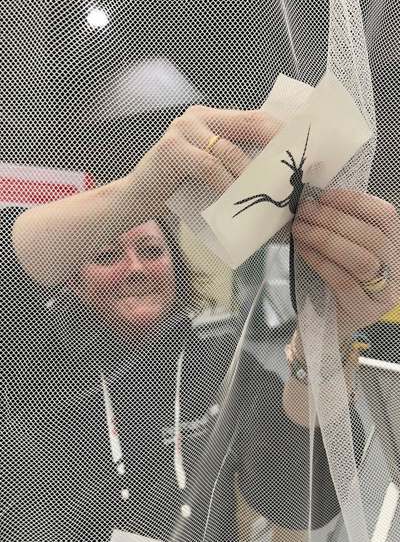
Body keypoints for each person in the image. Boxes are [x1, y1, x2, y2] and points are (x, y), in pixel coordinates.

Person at [2, 106, 400, 542]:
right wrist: (141, 189)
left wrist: (327, 330)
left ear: (176, 265)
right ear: (70, 279)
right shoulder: (40, 367)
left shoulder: (220, 362)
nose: (134, 267)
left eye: (151, 250)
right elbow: (20, 260)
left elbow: (299, 494)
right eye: (106, 256)